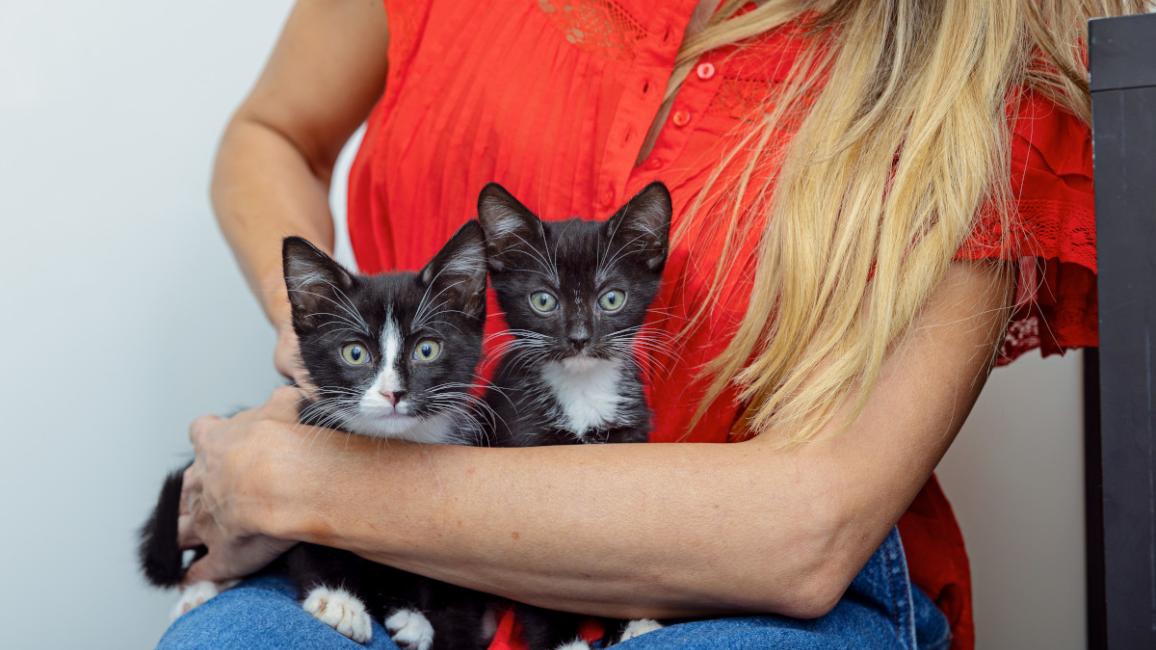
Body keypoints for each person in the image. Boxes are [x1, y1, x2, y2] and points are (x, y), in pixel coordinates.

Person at [162, 1, 1129, 648]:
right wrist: (320, 331)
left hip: (736, 602)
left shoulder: (982, 46)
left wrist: (306, 484)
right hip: (387, 570)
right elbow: (272, 132)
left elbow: (809, 532)